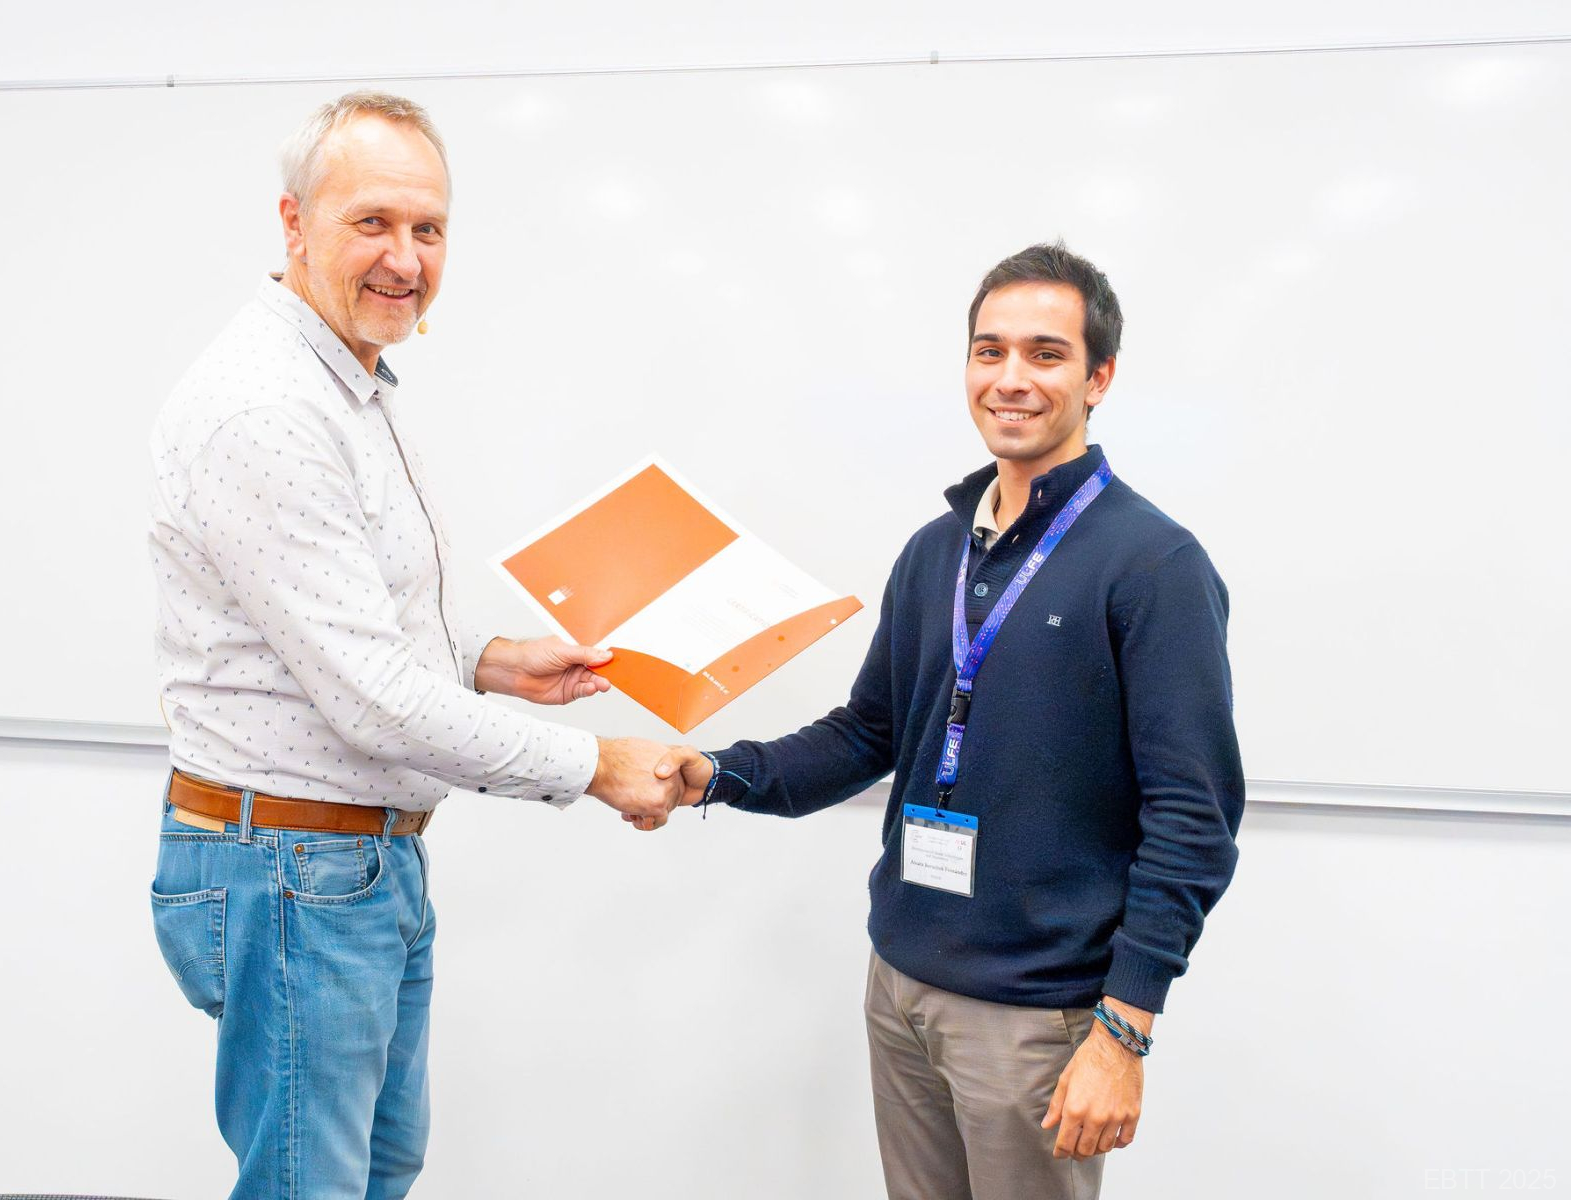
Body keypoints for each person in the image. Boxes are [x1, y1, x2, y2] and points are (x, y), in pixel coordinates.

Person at [145, 90, 679, 1200]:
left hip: (352, 863)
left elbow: (349, 623)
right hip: (290, 870)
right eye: (372, 223)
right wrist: (596, 766)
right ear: (294, 222)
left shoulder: (348, 383)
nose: (406, 259)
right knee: (312, 1185)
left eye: (428, 228)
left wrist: (488, 659)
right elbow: (373, 698)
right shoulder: (269, 411)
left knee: (378, 1166)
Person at [653, 243, 1244, 1200]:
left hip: (1037, 1014)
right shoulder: (936, 550)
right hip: (902, 983)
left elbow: (1194, 817)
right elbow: (868, 733)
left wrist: (1124, 1029)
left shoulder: (1153, 564)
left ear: (1099, 378)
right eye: (989, 350)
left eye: (1046, 354)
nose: (1010, 378)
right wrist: (717, 774)